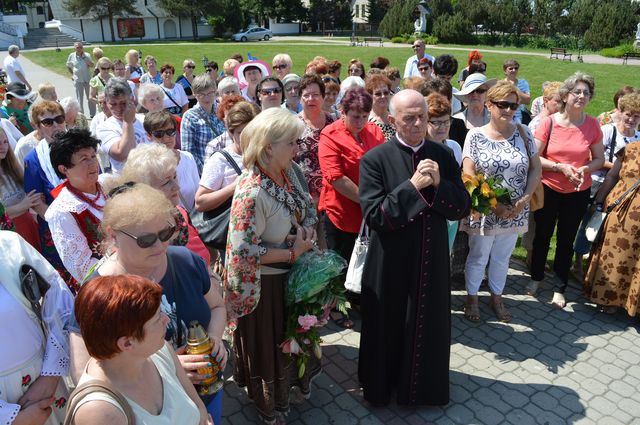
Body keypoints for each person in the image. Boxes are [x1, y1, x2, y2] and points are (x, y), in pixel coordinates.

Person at [358, 89, 470, 406]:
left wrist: (440, 185)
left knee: (427, 326)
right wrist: (412, 188)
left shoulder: (443, 156)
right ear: (392, 121)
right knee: (387, 326)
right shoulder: (374, 160)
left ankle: (423, 391)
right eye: (410, 118)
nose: (419, 123)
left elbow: (462, 208)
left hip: (430, 261)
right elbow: (375, 216)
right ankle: (382, 388)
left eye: (423, 116)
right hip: (389, 264)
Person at [225, 107, 318, 424]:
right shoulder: (252, 191)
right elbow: (245, 251)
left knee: (294, 341)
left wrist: (305, 236)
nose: (298, 148)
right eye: (292, 142)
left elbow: (307, 209)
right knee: (274, 345)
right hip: (266, 288)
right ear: (268, 147)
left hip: (292, 277)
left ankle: (293, 386)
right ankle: (270, 403)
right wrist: (293, 253)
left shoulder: (291, 172)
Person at [70, 274, 213, 425]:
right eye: (158, 318)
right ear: (127, 344)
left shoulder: (161, 350)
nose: (167, 319)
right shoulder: (99, 413)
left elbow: (199, 409)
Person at [459, 81, 541, 322]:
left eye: (513, 105)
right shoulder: (474, 135)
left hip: (516, 209)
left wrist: (524, 199)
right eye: (503, 104)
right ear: (489, 104)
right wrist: (495, 205)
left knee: (502, 257)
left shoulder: (525, 133)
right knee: (479, 255)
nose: (508, 110)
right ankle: (472, 297)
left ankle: (497, 296)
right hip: (485, 209)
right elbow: (469, 175)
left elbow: (536, 169)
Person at [528, 72, 604, 309]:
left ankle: (559, 287)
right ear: (566, 95)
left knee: (566, 239)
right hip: (549, 188)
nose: (582, 96)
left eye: (586, 93)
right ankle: (536, 278)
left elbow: (600, 159)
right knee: (543, 235)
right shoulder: (548, 123)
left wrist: (584, 168)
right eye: (577, 92)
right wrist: (560, 167)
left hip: (578, 191)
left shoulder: (592, 124)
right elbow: (535, 158)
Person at [318, 87, 385, 327]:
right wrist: (368, 200)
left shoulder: (374, 131)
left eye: (365, 116)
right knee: (340, 260)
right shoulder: (330, 135)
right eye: (355, 116)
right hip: (341, 212)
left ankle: (358, 299)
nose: (360, 121)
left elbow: (383, 163)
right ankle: (337, 306)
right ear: (342, 111)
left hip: (368, 213)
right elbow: (335, 178)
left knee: (365, 258)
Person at [0, 230, 74, 425]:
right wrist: (11, 418)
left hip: (46, 384)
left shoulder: (9, 244)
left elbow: (58, 298)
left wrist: (51, 376)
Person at [572, 92, 640, 278]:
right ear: (621, 112)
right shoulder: (609, 131)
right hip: (600, 184)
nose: (632, 119)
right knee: (589, 224)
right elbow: (594, 157)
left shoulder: (638, 137)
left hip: (624, 192)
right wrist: (622, 167)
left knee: (606, 229)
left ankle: (593, 264)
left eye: (636, 116)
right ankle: (577, 264)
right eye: (628, 114)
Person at [120, 143, 210, 264]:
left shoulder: (178, 213)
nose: (177, 186)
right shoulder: (143, 233)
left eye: (175, 176)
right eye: (166, 182)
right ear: (145, 189)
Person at [584, 121, 640, 316]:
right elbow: (612, 176)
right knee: (617, 257)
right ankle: (609, 299)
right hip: (622, 214)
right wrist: (598, 202)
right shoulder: (631, 149)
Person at [45, 129, 104, 283]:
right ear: (64, 169)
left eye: (93, 156)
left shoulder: (108, 184)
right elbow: (83, 270)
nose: (93, 163)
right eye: (84, 159)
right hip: (106, 287)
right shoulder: (62, 211)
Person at [23, 101, 72, 284]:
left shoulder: (81, 149)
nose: (56, 125)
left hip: (88, 221)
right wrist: (66, 224)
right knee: (67, 284)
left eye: (59, 119)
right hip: (55, 230)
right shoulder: (33, 160)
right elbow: (36, 201)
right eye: (47, 122)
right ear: (37, 127)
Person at [144, 110, 200, 211]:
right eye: (159, 134)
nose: (166, 138)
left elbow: (198, 194)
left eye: (170, 132)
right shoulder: (147, 166)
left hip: (192, 221)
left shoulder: (188, 158)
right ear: (149, 136)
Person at [96, 78, 150, 173]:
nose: (118, 108)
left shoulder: (144, 119)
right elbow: (123, 154)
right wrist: (127, 122)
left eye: (123, 103)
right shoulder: (104, 128)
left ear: (131, 99)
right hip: (128, 182)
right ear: (107, 103)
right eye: (113, 104)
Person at [296, 74, 335, 204]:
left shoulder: (334, 121)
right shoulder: (292, 125)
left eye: (315, 95)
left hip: (333, 194)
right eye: (306, 95)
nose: (310, 99)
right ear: (300, 99)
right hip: (304, 197)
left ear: (323, 97)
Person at [0, 127, 41, 249]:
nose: (3, 147)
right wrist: (23, 205)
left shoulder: (13, 167)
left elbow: (28, 194)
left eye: (5, 142)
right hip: (10, 233)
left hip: (29, 224)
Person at [181, 74, 226, 173]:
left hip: (227, 168)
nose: (207, 98)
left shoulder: (222, 109)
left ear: (215, 91)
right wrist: (207, 172)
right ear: (194, 94)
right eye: (201, 94)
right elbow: (188, 152)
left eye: (210, 93)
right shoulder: (189, 117)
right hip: (205, 172)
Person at [66, 42, 95, 117]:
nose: (79, 49)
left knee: (90, 97)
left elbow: (92, 65)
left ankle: (92, 114)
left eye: (80, 47)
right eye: (77, 47)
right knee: (79, 98)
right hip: (78, 80)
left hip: (87, 79)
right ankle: (81, 115)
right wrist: (72, 74)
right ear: (74, 48)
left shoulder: (87, 55)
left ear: (83, 48)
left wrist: (85, 58)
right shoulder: (71, 56)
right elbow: (68, 66)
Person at [365, 74, 394, 141]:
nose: (383, 96)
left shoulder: (395, 117)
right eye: (378, 94)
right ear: (370, 96)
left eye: (386, 93)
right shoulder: (366, 120)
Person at [502, 59, 531, 124]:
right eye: (510, 68)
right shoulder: (501, 84)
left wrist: (514, 87)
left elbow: (527, 101)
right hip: (504, 116)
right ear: (505, 71)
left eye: (516, 68)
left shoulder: (523, 82)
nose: (514, 70)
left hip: (519, 118)